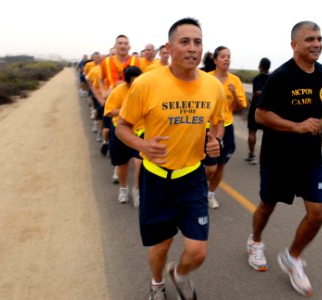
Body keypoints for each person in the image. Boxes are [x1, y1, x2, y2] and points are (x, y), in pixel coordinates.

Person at [116, 17, 225, 300]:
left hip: (191, 178)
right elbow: (122, 127)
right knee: (162, 245)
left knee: (197, 251)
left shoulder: (212, 86)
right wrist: (142, 145)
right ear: (170, 47)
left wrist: (216, 140)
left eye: (198, 42)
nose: (192, 48)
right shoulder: (147, 83)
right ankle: (156, 285)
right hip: (156, 178)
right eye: (185, 41)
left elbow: (218, 122)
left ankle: (179, 274)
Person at [246, 21, 322, 297]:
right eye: (310, 39)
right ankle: (256, 241)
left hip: (310, 158)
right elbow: (260, 116)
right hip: (278, 157)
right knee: (268, 204)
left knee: (318, 212)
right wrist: (295, 126)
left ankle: (293, 257)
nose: (317, 44)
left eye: (319, 38)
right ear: (294, 44)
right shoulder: (281, 76)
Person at [204, 46, 247, 209]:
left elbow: (239, 108)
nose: (226, 59)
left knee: (220, 164)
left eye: (229, 56)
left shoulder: (234, 80)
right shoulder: (205, 78)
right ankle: (198, 188)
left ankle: (210, 194)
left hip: (226, 127)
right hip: (206, 128)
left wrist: (235, 93)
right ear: (215, 60)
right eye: (223, 56)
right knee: (209, 167)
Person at [104, 66, 143, 206]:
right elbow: (108, 111)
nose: (136, 85)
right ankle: (123, 188)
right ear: (127, 82)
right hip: (121, 132)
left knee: (140, 163)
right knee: (122, 165)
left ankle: (137, 191)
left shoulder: (145, 90)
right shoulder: (118, 92)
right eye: (133, 82)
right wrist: (126, 111)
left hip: (140, 132)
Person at [245, 57, 271, 165]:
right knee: (268, 134)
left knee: (252, 132)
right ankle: (267, 157)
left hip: (256, 109)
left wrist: (257, 96)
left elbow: (257, 92)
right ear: (269, 67)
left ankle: (252, 155)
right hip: (269, 110)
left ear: (260, 66)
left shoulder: (257, 79)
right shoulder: (273, 78)